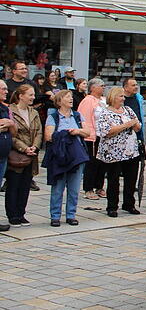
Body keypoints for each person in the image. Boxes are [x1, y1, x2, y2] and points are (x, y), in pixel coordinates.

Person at [43, 90, 89, 227]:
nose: (71, 99)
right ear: (59, 101)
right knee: (57, 188)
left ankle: (71, 215)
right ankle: (55, 216)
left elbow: (88, 132)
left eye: (71, 97)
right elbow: (48, 136)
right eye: (67, 97)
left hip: (76, 156)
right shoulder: (53, 117)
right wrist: (64, 134)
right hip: (60, 156)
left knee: (74, 188)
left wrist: (77, 131)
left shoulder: (78, 116)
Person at [95, 87, 141, 217]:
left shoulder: (128, 110)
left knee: (131, 179)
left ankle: (129, 204)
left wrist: (134, 124)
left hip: (131, 151)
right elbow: (106, 132)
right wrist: (126, 125)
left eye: (123, 96)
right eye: (120, 96)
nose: (123, 98)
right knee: (113, 180)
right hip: (113, 152)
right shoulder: (105, 113)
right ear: (113, 97)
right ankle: (112, 206)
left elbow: (137, 126)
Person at [5, 84, 41, 227]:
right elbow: (12, 134)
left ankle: (21, 213)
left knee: (26, 185)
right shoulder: (10, 111)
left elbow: (39, 132)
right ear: (21, 96)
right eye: (30, 95)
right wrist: (24, 148)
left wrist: (35, 147)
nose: (33, 97)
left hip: (31, 155)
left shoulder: (34, 113)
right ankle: (12, 215)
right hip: (16, 154)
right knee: (14, 185)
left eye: (33, 95)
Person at [79, 78, 106, 200]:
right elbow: (84, 119)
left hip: (104, 136)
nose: (103, 87)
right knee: (92, 163)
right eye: (101, 85)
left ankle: (99, 186)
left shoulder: (103, 100)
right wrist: (89, 134)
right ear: (93, 88)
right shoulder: (88, 101)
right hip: (92, 137)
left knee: (102, 163)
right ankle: (88, 188)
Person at [0, 81, 16, 231]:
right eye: (3, 89)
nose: (6, 91)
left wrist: (10, 124)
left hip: (3, 155)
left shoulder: (5, 108)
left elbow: (14, 131)